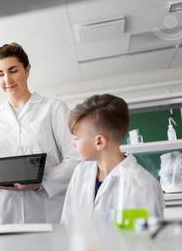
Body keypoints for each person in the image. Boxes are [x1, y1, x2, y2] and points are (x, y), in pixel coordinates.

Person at [0, 42, 79, 226]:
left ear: (27, 70)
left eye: (13, 70)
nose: (7, 80)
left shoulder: (53, 109)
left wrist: (42, 183)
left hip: (46, 211)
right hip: (3, 214)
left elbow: (76, 158)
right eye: (0, 74)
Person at [61, 94, 164, 224]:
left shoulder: (141, 185)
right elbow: (67, 223)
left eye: (76, 138)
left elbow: (142, 240)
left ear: (99, 142)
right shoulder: (80, 173)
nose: (73, 144)